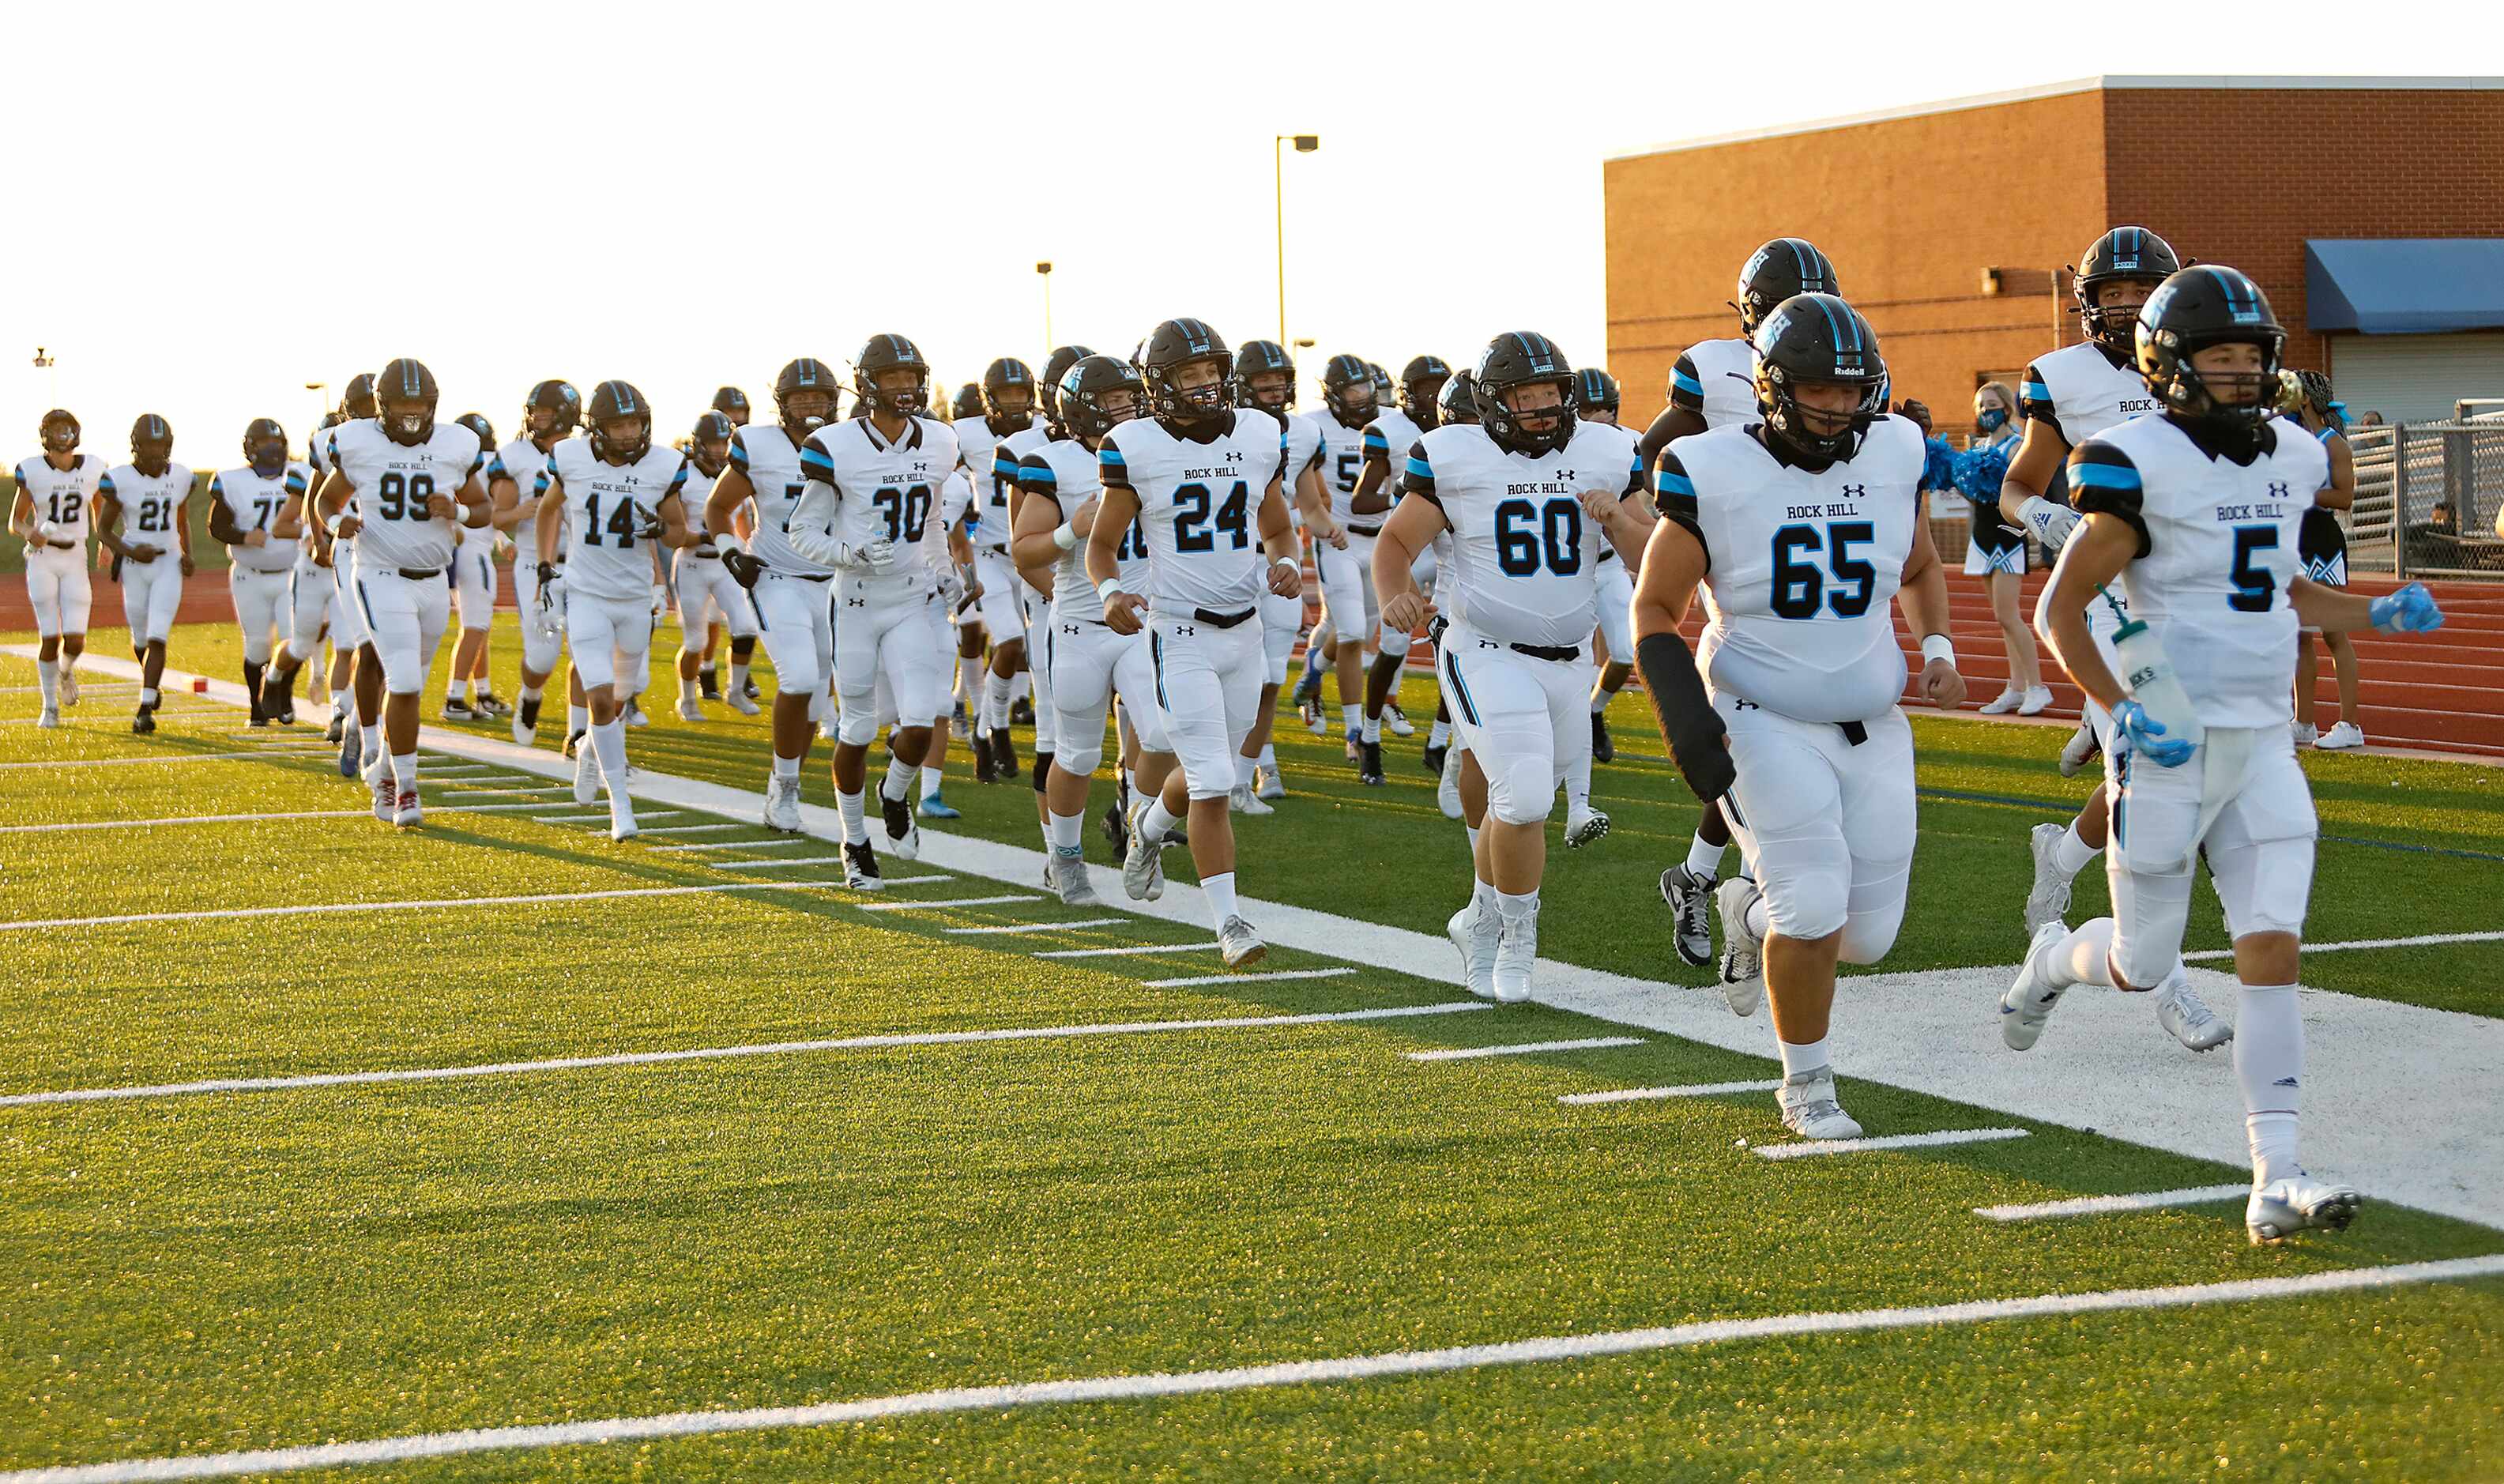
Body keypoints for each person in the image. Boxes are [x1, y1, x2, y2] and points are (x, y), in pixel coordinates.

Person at [1997, 266, 2447, 1244]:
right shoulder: (2130, 460)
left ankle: (2273, 1174)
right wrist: (2119, 712)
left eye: (2252, 357)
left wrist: (2374, 607)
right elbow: (2060, 608)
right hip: (2166, 739)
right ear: (2172, 366)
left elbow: (2285, 593)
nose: (2241, 375)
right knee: (2137, 959)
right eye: (2219, 357)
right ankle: (2046, 962)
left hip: (2260, 742)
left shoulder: (2286, 453)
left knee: (2272, 953)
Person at [1632, 292, 1966, 1140]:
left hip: (1873, 721)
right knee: (1814, 902)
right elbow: (1654, 609)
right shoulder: (1709, 467)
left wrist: (1935, 650)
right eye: (1821, 388)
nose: (1840, 407)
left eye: (1854, 390)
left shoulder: (1894, 450)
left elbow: (1923, 563)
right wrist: (1685, 722)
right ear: (1774, 387)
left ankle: (1748, 912)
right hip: (1762, 713)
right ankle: (1806, 1087)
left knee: (1866, 939)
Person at [2000, 227, 2229, 1053]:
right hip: (2109, 598)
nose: (2128, 306)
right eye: (2115, 294)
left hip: (2191, 597)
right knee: (2169, 771)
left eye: (2143, 292)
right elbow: (2017, 484)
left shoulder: (2200, 361)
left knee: (2175, 778)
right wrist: (2042, 512)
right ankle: (2162, 976)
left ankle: (2060, 862)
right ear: (2088, 304)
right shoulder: (2060, 376)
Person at [1376, 333, 1650, 1002]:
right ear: (1494, 403)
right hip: (1481, 649)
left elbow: (1649, 554)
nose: (1542, 408)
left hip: (1567, 660)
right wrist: (1394, 594)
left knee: (1518, 801)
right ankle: (1519, 940)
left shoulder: (1608, 451)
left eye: (1551, 394)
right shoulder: (1454, 456)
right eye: (1526, 397)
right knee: (1524, 796)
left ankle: (1479, 916)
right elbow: (1394, 539)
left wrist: (1616, 517)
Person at [1643, 238, 1843, 972]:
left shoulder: (1835, 361)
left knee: (1788, 723)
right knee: (1759, 711)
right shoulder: (1710, 364)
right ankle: (1751, 893)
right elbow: (1657, 446)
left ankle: (1698, 877)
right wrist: (1672, 519)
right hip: (1737, 550)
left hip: (1811, 539)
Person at [1091, 318, 1304, 966]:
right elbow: (1101, 545)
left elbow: (1276, 527)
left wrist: (1286, 561)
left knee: (1212, 772)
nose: (1206, 386)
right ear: (1160, 384)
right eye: (1190, 375)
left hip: (1245, 628)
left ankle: (1148, 826)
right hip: (1178, 630)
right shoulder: (1134, 444)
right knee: (1212, 779)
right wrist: (1108, 594)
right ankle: (1230, 923)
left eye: (1212, 372)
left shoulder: (1261, 434)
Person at [783, 334, 961, 887]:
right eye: (892, 379)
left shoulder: (940, 440)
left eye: (911, 378)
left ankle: (894, 793)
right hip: (857, 601)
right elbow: (802, 532)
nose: (905, 388)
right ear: (868, 385)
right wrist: (848, 554)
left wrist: (945, 567)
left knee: (920, 719)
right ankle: (854, 842)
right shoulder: (833, 444)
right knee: (857, 728)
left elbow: (930, 520)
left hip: (911, 597)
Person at [1015, 354, 1181, 904]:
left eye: (1130, 396)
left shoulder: (1155, 445)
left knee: (1160, 735)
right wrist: (1069, 532)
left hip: (1141, 621)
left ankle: (1141, 832)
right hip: (1081, 627)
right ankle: (1064, 856)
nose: (1125, 408)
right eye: (1110, 401)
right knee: (1078, 755)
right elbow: (1023, 550)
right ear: (1080, 411)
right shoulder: (1051, 463)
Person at [312, 358, 491, 825]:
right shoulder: (358, 442)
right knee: (406, 680)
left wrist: (458, 511)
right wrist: (335, 524)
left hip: (433, 581)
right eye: (401, 404)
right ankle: (406, 788)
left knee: (409, 685)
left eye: (419, 404)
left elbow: (484, 508)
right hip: (379, 573)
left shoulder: (456, 443)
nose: (411, 414)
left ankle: (387, 768)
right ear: (381, 407)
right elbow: (326, 498)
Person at [537, 381, 696, 839]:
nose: (628, 433)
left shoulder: (664, 464)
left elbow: (677, 533)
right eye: (618, 425)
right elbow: (549, 511)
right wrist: (546, 565)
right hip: (586, 595)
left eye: (634, 423)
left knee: (621, 699)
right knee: (601, 696)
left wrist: (662, 526)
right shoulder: (571, 458)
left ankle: (590, 748)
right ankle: (620, 806)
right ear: (597, 429)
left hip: (633, 598)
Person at [710, 358, 842, 831]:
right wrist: (730, 553)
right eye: (802, 397)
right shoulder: (760, 444)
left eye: (819, 397)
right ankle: (783, 788)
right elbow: (719, 506)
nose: (811, 405)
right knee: (801, 678)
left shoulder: (849, 444)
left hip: (833, 582)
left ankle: (787, 779)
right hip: (776, 574)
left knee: (818, 690)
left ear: (834, 401)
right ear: (783, 404)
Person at [1344, 354, 1452, 778]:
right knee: (1393, 647)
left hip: (1451, 554)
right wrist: (1413, 501)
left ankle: (1439, 742)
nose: (1436, 398)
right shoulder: (1390, 432)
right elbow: (1361, 499)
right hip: (1409, 551)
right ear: (1408, 393)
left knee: (1461, 646)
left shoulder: (1461, 432)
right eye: (1427, 389)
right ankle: (1369, 738)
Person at [1228, 338, 1324, 807]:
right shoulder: (1226, 432)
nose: (1274, 389)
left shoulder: (1302, 433)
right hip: (1232, 560)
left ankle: (1250, 775)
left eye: (1279, 381)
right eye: (1263, 382)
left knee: (1269, 677)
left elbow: (1308, 499)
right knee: (1234, 675)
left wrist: (1334, 532)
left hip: (1278, 555)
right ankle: (1234, 769)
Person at [1557, 365, 1636, 847]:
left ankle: (1595, 712)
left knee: (1625, 651)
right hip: (1569, 570)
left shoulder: (1627, 444)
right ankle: (1576, 802)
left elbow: (1652, 507)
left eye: (1605, 408)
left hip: (1609, 564)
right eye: (1588, 410)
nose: (1598, 417)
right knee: (1575, 666)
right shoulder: (1554, 448)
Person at [955, 356, 1041, 778]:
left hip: (1036, 554)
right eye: (1005, 394)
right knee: (1009, 643)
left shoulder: (1045, 432)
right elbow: (939, 476)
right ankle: (1000, 730)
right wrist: (958, 506)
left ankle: (985, 730)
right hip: (988, 553)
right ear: (989, 398)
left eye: (1020, 393)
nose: (1014, 402)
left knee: (1037, 652)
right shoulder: (964, 433)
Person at [491, 380, 582, 745]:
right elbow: (498, 517)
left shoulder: (586, 452)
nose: (537, 417)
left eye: (545, 410)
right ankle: (530, 697)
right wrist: (518, 512)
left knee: (586, 648)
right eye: (535, 410)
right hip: (533, 562)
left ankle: (578, 731)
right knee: (543, 658)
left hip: (580, 560)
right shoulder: (515, 455)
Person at [92, 415, 194, 734]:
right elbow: (103, 530)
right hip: (135, 565)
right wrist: (131, 550)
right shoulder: (120, 478)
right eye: (150, 445)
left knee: (157, 635)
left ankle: (145, 707)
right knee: (139, 640)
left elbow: (181, 519)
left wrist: (187, 552)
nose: (156, 451)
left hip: (167, 562)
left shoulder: (180, 476)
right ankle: (154, 685)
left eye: (161, 444)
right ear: (136, 446)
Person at [1296, 352, 1377, 746]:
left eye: (1364, 386)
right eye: (1352, 390)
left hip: (1379, 539)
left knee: (1342, 627)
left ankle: (1315, 666)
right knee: (1353, 631)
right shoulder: (1312, 427)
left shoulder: (1387, 424)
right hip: (1337, 538)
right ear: (1334, 395)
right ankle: (1355, 731)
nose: (1361, 396)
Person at [206, 418, 308, 726]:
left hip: (292, 572)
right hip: (250, 575)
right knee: (257, 645)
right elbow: (217, 527)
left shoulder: (300, 474)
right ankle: (257, 706)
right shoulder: (233, 481)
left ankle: (282, 692)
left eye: (276, 443)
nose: (272, 450)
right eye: (265, 444)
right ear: (250, 448)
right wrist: (244, 536)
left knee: (296, 641)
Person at [1961, 382, 2050, 716]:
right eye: (1981, 406)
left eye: (1993, 404)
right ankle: (2015, 687)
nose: (1986, 411)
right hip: (1982, 536)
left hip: (2007, 537)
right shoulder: (1978, 446)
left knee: (2009, 615)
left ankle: (2038, 687)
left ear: (2007, 407)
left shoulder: (2017, 446)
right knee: (2001, 618)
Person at [11, 409, 104, 728]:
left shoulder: (93, 467)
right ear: (46, 435)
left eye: (67, 430)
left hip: (76, 556)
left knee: (76, 640)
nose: (63, 436)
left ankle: (66, 670)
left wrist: (103, 540)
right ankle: (50, 706)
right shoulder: (33, 470)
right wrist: (28, 532)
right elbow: (16, 521)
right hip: (43, 558)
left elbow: (98, 506)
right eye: (57, 430)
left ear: (76, 433)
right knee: (49, 636)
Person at [2287, 371, 2362, 748]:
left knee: (2332, 632)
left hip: (2322, 543)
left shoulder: (2333, 444)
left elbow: (2344, 497)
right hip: (2294, 540)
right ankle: (2303, 721)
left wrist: (2301, 493)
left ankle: (2350, 724)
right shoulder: (2290, 437)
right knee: (2298, 634)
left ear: (2305, 399)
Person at [670, 409, 762, 721]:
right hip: (692, 565)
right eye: (714, 443)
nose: (721, 450)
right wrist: (702, 536)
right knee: (695, 641)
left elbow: (744, 521)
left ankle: (735, 690)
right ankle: (686, 699)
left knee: (746, 627)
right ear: (699, 444)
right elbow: (676, 530)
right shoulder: (683, 475)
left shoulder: (735, 473)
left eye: (724, 443)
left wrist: (745, 546)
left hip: (725, 563)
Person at [438, 412, 509, 722]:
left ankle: (482, 692)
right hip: (474, 550)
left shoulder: (448, 462)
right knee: (476, 627)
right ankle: (454, 697)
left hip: (461, 548)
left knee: (480, 628)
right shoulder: (491, 462)